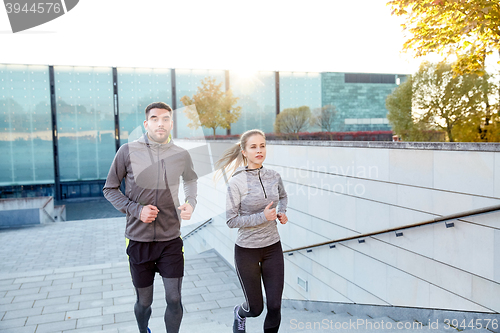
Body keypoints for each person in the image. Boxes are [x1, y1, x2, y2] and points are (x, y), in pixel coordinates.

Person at [103, 102, 197, 333]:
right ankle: (143, 329)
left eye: (165, 119)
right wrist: (137, 210)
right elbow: (110, 189)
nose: (160, 123)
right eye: (154, 118)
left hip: (170, 239)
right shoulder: (127, 151)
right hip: (138, 239)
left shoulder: (181, 154)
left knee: (174, 298)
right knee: (144, 302)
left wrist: (190, 203)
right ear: (146, 123)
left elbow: (191, 179)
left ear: (171, 124)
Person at [215, 129, 288, 333]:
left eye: (262, 145)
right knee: (256, 308)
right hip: (247, 250)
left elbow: (283, 197)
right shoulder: (236, 182)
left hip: (272, 247)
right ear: (244, 151)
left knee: (274, 306)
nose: (259, 150)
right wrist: (263, 217)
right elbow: (230, 220)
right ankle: (240, 313)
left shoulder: (274, 176)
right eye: (253, 147)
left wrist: (281, 213)